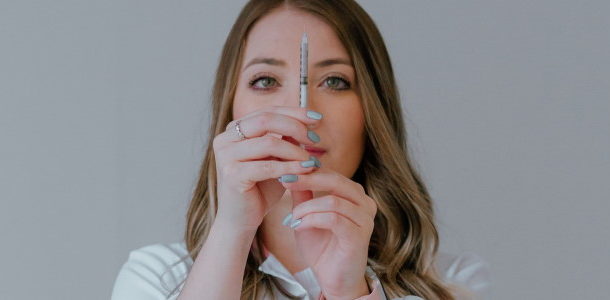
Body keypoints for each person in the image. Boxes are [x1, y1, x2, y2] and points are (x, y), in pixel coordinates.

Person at [111, 0, 491, 299]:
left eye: (336, 81)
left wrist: (349, 293)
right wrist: (232, 231)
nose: (298, 112)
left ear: (374, 110)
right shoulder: (157, 279)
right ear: (230, 108)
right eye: (264, 80)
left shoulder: (450, 284)